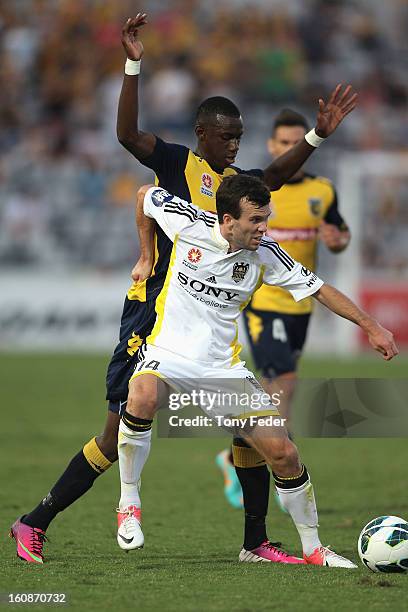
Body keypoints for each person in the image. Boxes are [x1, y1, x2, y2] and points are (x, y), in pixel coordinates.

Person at [9, 13, 358, 564]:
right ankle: (34, 521)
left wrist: (316, 137)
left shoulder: (235, 187)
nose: (235, 146)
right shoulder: (176, 162)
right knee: (114, 431)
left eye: (240, 137)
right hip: (154, 312)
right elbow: (127, 139)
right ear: (203, 135)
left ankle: (256, 542)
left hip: (204, 313)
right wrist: (133, 63)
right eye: (228, 137)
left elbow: (273, 178)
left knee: (252, 429)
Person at [116, 175, 397, 566]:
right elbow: (145, 194)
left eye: (267, 218)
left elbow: (320, 289)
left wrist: (371, 326)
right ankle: (129, 504)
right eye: (256, 220)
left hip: (221, 368)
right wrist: (147, 255)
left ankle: (314, 549)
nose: (264, 228)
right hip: (168, 354)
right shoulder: (189, 222)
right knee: (141, 394)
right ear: (228, 220)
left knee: (283, 453)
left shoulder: (266, 253)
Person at [216, 108, 350, 512]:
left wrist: (337, 240)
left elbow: (339, 234)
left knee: (284, 386)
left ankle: (244, 451)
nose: (292, 148)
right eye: (285, 143)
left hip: (300, 304)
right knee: (283, 381)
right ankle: (278, 459)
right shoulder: (257, 190)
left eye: (298, 142)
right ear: (273, 146)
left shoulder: (323, 191)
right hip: (263, 302)